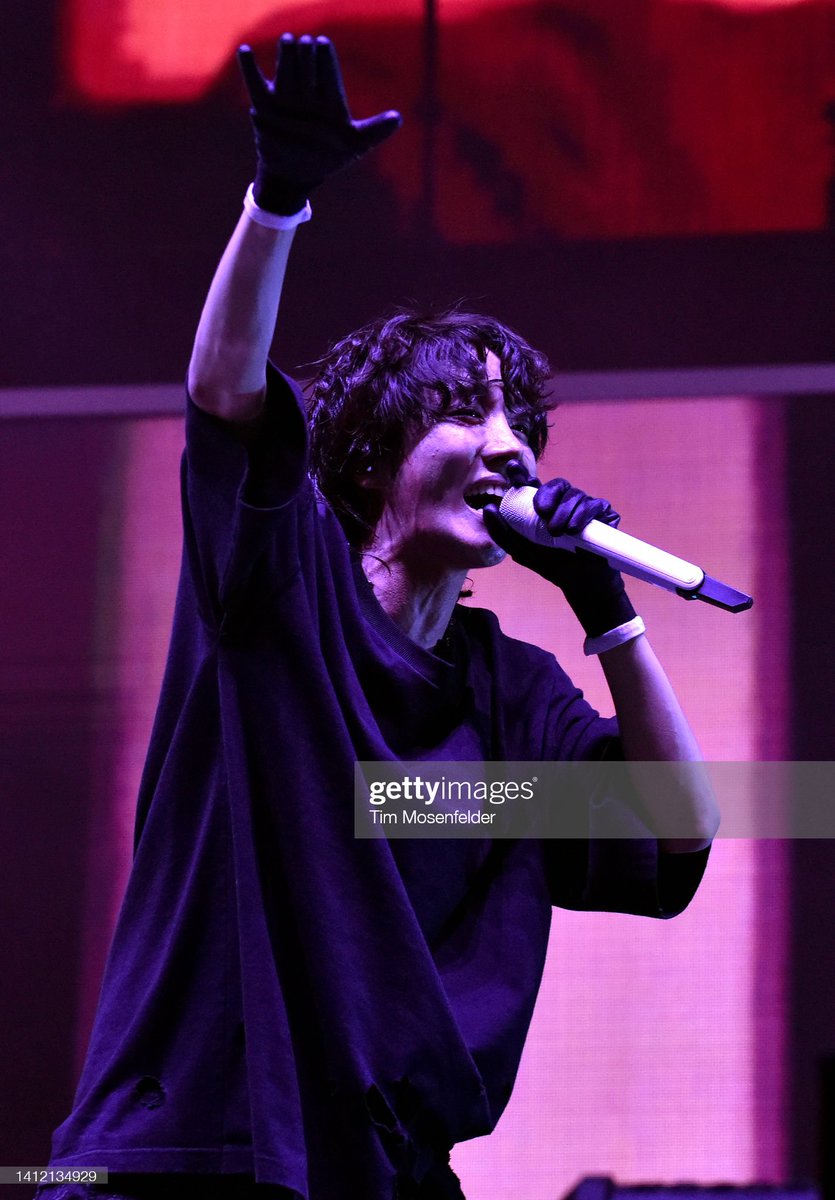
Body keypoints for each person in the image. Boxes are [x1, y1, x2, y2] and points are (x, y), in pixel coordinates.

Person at [39, 33, 719, 1200]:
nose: (511, 446)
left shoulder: (505, 693)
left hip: (382, 1173)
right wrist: (278, 200)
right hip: (197, 1154)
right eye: (466, 411)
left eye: (523, 427)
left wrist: (611, 616)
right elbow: (226, 393)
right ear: (369, 457)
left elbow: (681, 835)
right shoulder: (276, 582)